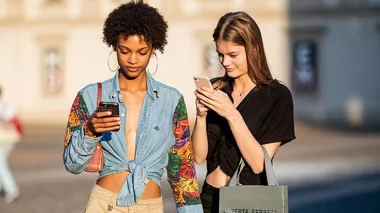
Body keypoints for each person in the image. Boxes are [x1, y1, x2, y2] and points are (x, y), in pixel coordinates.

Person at [62, 1, 203, 212]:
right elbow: (72, 165)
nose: (133, 60)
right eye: (125, 51)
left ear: (154, 48)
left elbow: (182, 170)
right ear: (114, 46)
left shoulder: (171, 100)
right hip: (103, 204)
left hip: (150, 206)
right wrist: (90, 132)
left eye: (142, 52)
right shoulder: (90, 96)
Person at [191, 11, 296, 213]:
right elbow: (198, 156)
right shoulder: (217, 89)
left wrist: (231, 114)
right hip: (208, 199)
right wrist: (201, 115)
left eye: (233, 55)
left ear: (254, 49)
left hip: (246, 202)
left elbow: (258, 164)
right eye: (220, 54)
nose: (225, 62)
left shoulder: (276, 96)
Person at [0, 85, 21, 204]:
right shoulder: (7, 105)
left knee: (1, 165)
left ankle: (12, 190)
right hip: (11, 139)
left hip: (2, 139)